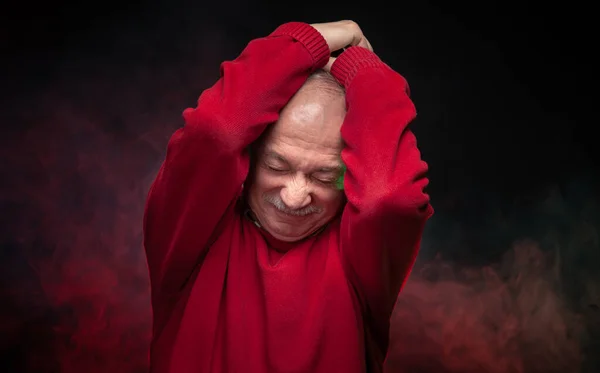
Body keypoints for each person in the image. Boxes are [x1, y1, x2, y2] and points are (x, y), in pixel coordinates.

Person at [143, 20, 433, 373]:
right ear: (248, 156)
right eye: (276, 166)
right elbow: (215, 132)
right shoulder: (190, 235)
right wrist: (326, 36)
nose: (295, 197)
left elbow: (388, 198)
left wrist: (363, 70)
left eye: (324, 176)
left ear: (352, 176)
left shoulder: (359, 259)